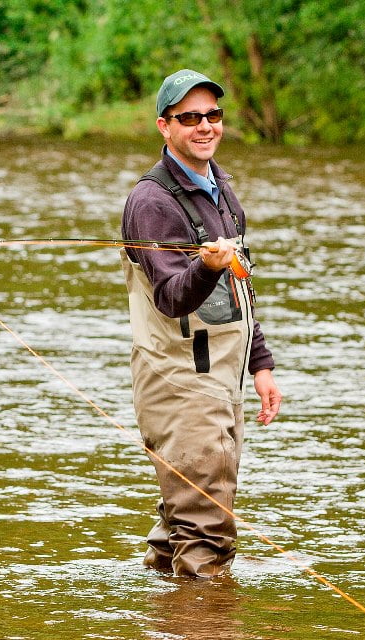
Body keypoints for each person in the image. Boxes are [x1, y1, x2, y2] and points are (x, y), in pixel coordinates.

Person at [120, 69, 282, 578]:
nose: (205, 126)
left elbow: (240, 286)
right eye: (190, 118)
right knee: (206, 530)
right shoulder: (152, 203)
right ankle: (205, 615)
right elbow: (171, 298)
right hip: (179, 381)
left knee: (180, 526)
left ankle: (166, 610)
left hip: (222, 376)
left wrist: (260, 364)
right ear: (164, 126)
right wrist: (206, 267)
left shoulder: (221, 189)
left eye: (213, 115)